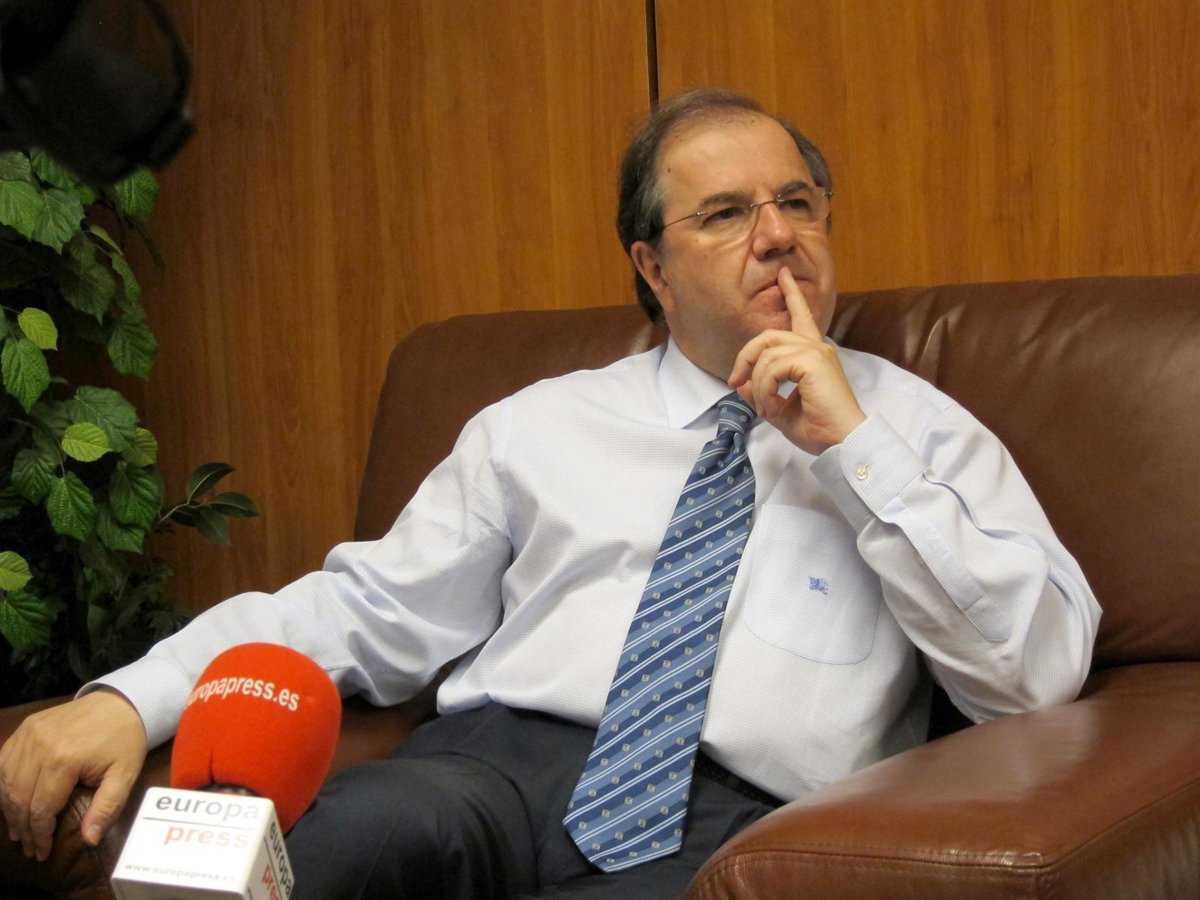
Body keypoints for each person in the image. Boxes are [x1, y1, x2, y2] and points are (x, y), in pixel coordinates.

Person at [0, 88, 1101, 897]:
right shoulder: (537, 426)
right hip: (486, 775)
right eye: (725, 213)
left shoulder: (916, 432)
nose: (777, 236)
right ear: (653, 267)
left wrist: (852, 452)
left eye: (798, 204)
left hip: (742, 827)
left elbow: (1036, 675)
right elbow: (364, 610)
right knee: (321, 857)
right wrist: (129, 699)